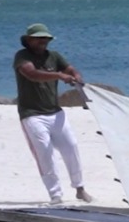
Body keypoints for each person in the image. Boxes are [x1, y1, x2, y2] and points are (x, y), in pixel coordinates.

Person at [13, 22, 93, 205]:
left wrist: (75, 76)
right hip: (32, 113)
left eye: (46, 39)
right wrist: (59, 76)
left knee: (71, 147)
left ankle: (80, 188)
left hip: (55, 111)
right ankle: (55, 195)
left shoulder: (54, 56)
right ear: (29, 40)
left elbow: (70, 69)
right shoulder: (22, 57)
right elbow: (32, 74)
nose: (43, 42)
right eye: (39, 39)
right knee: (45, 153)